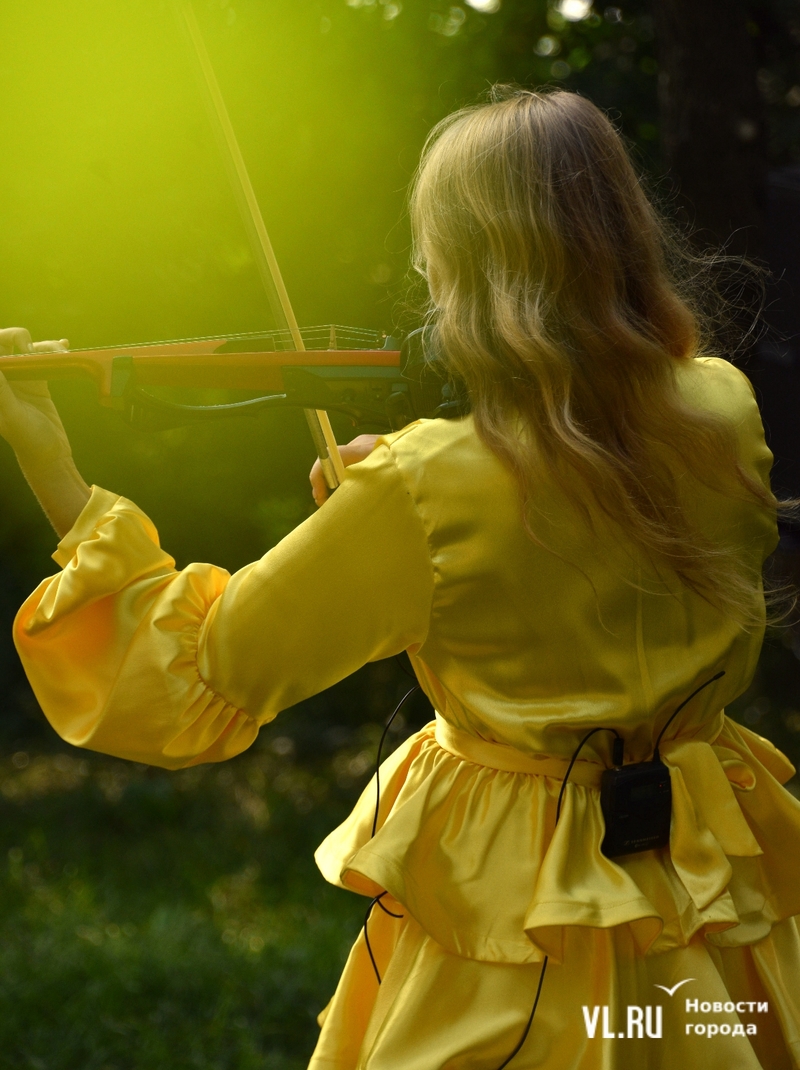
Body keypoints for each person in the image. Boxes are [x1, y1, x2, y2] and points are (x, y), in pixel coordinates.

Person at [2, 87, 800, 1070]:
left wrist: (54, 468)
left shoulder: (422, 485)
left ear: (465, 260)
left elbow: (194, 676)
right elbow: (580, 492)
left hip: (516, 918)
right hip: (704, 891)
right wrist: (402, 490)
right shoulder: (721, 405)